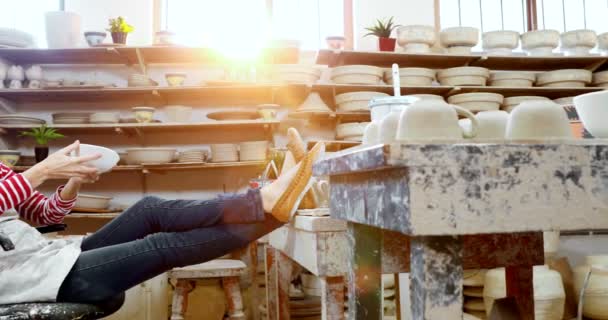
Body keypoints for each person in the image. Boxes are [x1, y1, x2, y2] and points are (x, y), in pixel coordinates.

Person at [0, 129, 322, 304]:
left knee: (149, 208)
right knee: (160, 246)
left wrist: (73, 180)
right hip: (29, 278)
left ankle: (274, 200)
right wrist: (44, 169)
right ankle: (272, 206)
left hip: (46, 257)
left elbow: (45, 213)